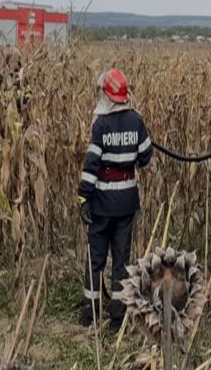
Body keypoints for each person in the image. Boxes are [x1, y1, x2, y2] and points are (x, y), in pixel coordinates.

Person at [77, 68, 154, 331]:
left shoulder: (101, 126)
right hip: (126, 203)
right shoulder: (136, 121)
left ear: (107, 95)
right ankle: (118, 318)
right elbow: (145, 156)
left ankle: (90, 313)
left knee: (95, 258)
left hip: (101, 203)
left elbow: (91, 165)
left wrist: (83, 197)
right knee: (121, 261)